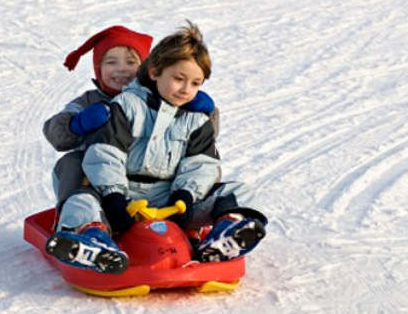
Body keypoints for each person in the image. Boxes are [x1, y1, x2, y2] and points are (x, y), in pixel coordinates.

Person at [45, 21, 266, 275]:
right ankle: (92, 239)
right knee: (81, 197)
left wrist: (185, 196)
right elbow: (103, 154)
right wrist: (114, 196)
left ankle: (225, 234)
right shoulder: (121, 105)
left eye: (195, 83)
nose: (186, 88)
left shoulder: (194, 114)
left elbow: (201, 163)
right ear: (154, 72)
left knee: (240, 192)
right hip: (118, 199)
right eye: (179, 79)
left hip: (169, 199)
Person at [42, 26, 218, 223]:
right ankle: (80, 218)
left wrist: (207, 114)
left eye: (131, 62)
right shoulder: (88, 101)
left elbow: (201, 142)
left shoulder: (170, 100)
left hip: (156, 184)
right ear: (98, 68)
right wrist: (77, 124)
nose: (122, 69)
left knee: (209, 166)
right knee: (72, 162)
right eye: (111, 62)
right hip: (99, 181)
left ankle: (192, 215)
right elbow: (54, 133)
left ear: (147, 68)